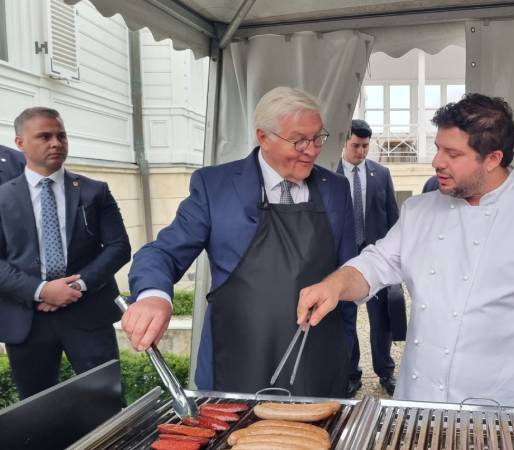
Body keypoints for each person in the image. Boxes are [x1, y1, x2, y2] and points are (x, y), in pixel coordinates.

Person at [298, 93, 514, 409]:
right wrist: (334, 285)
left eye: (452, 153)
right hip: (417, 406)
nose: (436, 161)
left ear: (493, 158)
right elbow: (376, 263)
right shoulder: (418, 211)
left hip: (501, 412)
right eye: (438, 148)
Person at [123, 87, 357, 397]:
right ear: (264, 137)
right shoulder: (214, 186)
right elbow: (162, 252)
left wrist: (348, 359)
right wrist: (153, 295)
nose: (312, 150)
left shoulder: (336, 189)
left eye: (318, 138)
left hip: (316, 362)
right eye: (299, 140)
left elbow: (349, 274)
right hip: (236, 361)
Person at [0, 107, 130, 399]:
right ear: (20, 143)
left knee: (106, 401)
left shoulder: (94, 192)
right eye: (44, 136)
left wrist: (77, 285)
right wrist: (41, 290)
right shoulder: (3, 197)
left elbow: (119, 247)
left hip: (87, 312)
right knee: (35, 409)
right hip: (27, 319)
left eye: (61, 135)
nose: (56, 143)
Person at [337, 119, 400, 397]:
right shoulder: (331, 175)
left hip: (378, 259)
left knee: (381, 320)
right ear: (344, 143)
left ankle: (385, 371)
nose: (361, 152)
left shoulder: (382, 174)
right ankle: (351, 374)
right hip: (343, 259)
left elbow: (393, 219)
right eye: (356, 146)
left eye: (365, 146)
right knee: (346, 320)